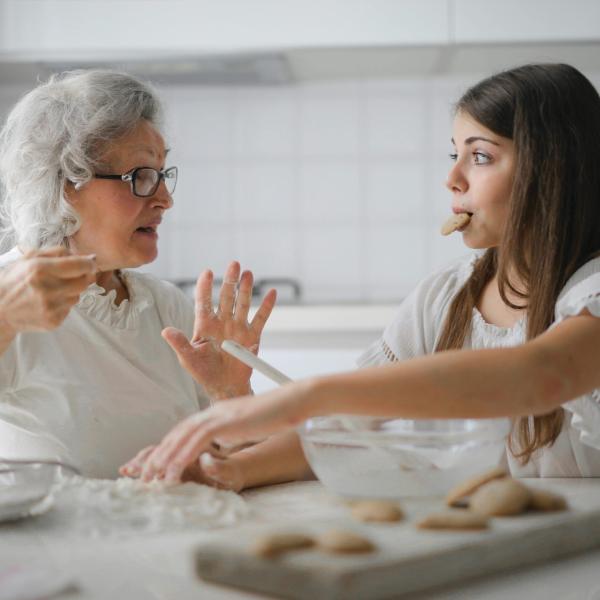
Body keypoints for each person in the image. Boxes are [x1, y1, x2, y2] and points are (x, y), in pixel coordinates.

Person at [123, 63, 600, 487]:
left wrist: (310, 395)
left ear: (552, 168)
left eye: (480, 156)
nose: (452, 178)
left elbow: (544, 374)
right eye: (453, 154)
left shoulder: (591, 292)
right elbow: (352, 425)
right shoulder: (445, 296)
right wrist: (233, 470)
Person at [0, 70, 275, 478]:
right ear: (62, 184)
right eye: (141, 177)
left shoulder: (166, 306)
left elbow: (232, 467)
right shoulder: (10, 297)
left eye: (163, 175)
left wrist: (230, 394)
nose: (165, 199)